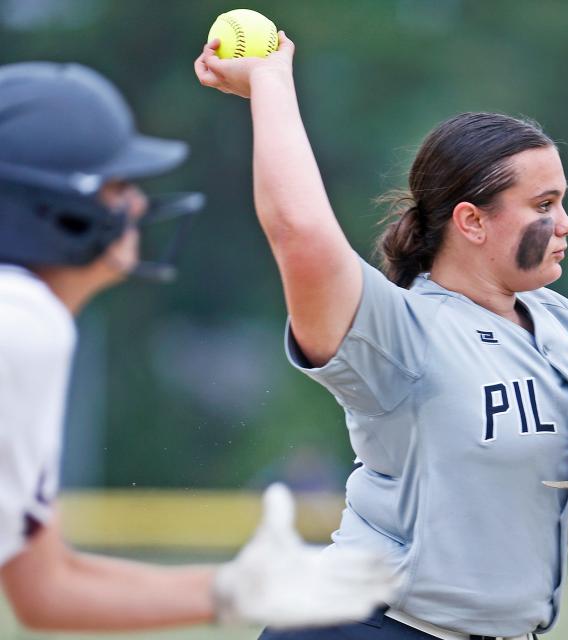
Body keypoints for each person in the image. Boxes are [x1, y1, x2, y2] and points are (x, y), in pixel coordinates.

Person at [196, 31, 568, 640]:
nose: (565, 223)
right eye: (543, 204)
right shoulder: (404, 329)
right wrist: (269, 83)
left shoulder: (562, 322)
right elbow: (300, 233)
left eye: (561, 201)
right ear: (472, 221)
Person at [0, 61, 394, 632]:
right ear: (48, 209)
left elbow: (45, 590)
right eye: (118, 185)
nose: (136, 204)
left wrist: (231, 590)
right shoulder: (24, 324)